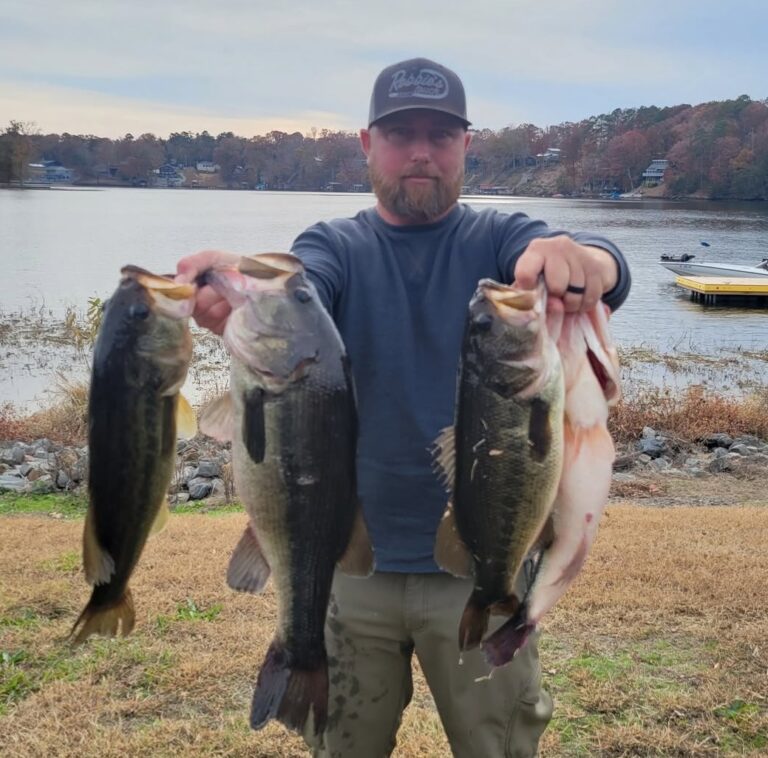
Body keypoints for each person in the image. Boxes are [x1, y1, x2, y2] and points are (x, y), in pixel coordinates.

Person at [177, 57, 631, 758]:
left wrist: (589, 263)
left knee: (501, 747)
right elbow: (301, 285)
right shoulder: (336, 247)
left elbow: (594, 260)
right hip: (350, 568)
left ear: (465, 146)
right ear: (367, 143)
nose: (420, 151)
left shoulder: (501, 240)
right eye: (400, 134)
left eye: (440, 135)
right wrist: (243, 287)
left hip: (481, 570)